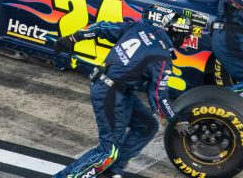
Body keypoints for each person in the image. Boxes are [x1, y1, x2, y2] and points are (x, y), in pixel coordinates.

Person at [52, 13, 194, 178]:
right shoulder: (162, 58)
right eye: (185, 37)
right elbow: (157, 98)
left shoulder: (139, 27)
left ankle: (109, 172)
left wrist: (73, 38)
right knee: (108, 152)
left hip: (116, 89)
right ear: (177, 35)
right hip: (110, 93)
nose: (185, 41)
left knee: (147, 126)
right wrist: (176, 120)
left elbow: (102, 27)